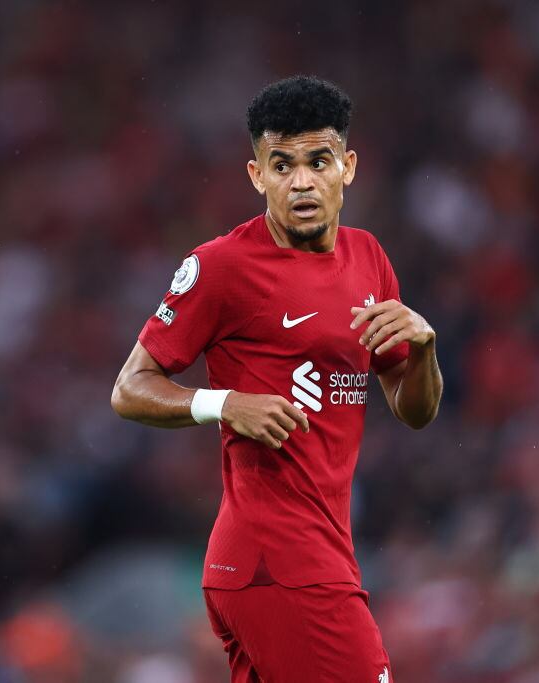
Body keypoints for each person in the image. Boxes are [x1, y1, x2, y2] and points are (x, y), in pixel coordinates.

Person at [111, 75, 443, 682]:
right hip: (277, 559)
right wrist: (223, 402)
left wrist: (422, 350)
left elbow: (413, 410)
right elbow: (130, 387)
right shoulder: (220, 267)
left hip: (319, 552)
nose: (301, 182)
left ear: (347, 166)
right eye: (281, 164)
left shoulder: (370, 257)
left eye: (318, 162)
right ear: (256, 174)